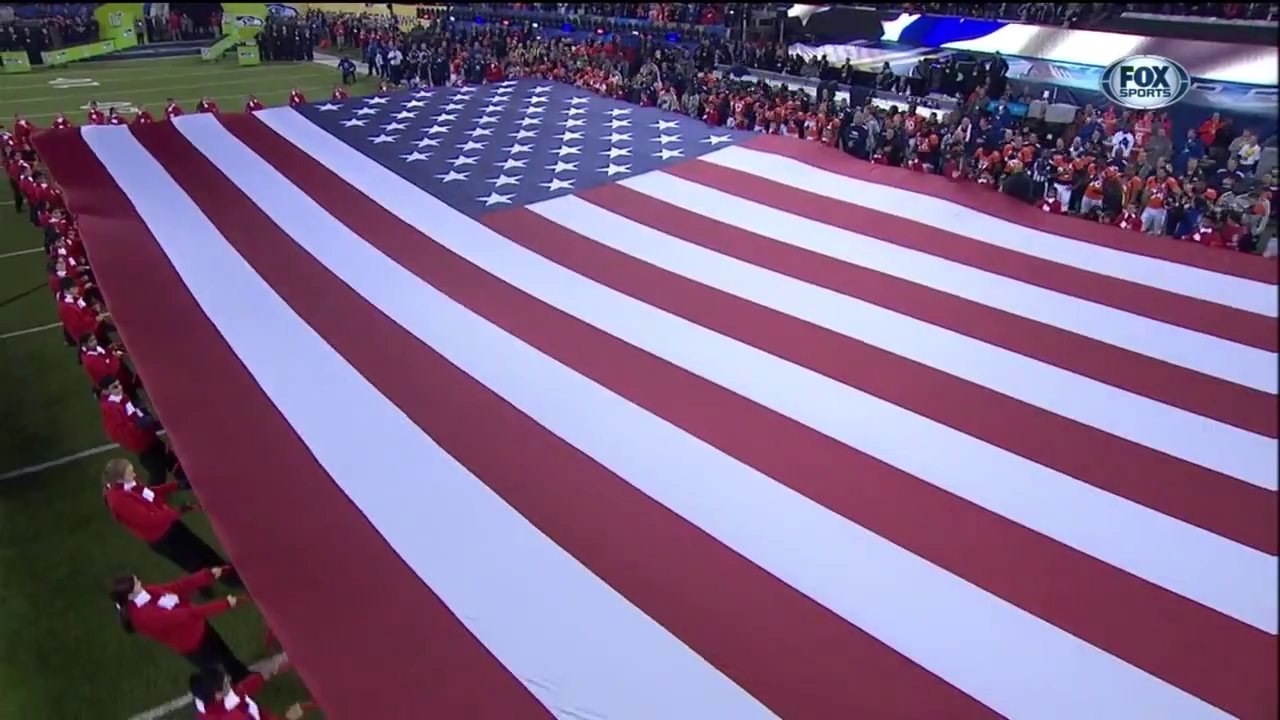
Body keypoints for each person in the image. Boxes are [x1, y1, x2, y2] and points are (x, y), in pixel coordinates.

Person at [102, 458, 243, 586]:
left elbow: (149, 493)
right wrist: (180, 510)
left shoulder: (128, 485)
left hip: (169, 524)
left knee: (200, 550)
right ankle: (229, 580)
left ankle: (220, 574)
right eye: (130, 472)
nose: (134, 474)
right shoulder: (119, 501)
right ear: (120, 479)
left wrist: (176, 486)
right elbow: (150, 520)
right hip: (162, 537)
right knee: (195, 560)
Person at [107, 569, 251, 682]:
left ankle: (244, 678)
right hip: (195, 644)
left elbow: (177, 587)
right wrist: (225, 604)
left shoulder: (146, 593)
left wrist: (207, 575)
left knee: (226, 657)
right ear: (130, 595)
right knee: (219, 672)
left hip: (200, 629)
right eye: (137, 584)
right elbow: (189, 614)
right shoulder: (144, 617)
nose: (141, 583)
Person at [98, 376, 188, 487]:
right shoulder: (111, 410)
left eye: (119, 384)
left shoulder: (122, 398)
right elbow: (119, 432)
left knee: (168, 458)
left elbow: (133, 413)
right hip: (142, 444)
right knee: (158, 473)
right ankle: (152, 497)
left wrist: (144, 418)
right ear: (106, 391)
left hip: (147, 437)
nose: (120, 388)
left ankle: (184, 479)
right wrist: (139, 425)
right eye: (115, 387)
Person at [189, 667, 308, 719]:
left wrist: (263, 676)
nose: (230, 679)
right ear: (218, 695)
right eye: (226, 683)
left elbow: (236, 692)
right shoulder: (237, 715)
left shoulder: (208, 702)